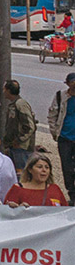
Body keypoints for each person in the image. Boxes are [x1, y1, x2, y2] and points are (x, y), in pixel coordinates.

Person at [47, 71, 75, 203]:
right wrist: (54, 132)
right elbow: (52, 114)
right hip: (65, 138)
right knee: (67, 167)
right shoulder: (61, 96)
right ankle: (72, 194)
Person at [1, 80, 37, 171]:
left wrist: (19, 140)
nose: (3, 92)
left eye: (4, 89)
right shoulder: (13, 105)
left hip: (22, 148)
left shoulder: (20, 104)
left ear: (8, 90)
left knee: (21, 173)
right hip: (13, 147)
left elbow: (29, 126)